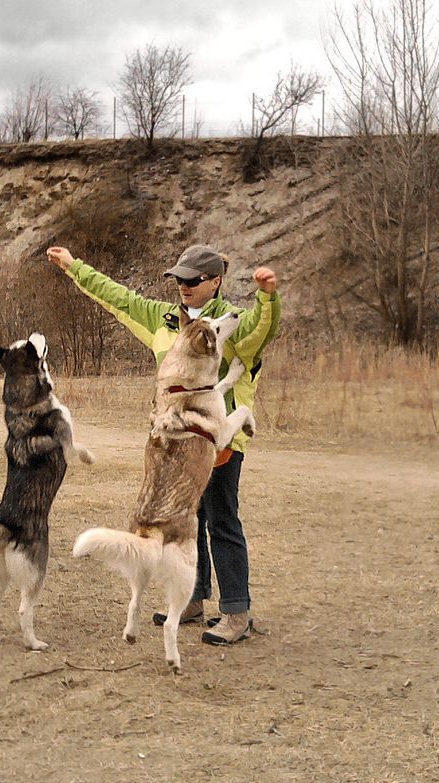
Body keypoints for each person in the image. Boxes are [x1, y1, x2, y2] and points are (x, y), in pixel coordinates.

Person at [45, 243, 281, 645]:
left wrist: (267, 297)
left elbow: (260, 329)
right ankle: (191, 600)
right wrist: (74, 268)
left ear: (216, 281)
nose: (183, 286)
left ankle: (236, 613)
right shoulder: (162, 317)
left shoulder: (230, 322)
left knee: (222, 520)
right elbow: (117, 297)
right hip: (171, 439)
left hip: (216, 440)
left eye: (193, 280)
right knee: (189, 521)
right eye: (179, 279)